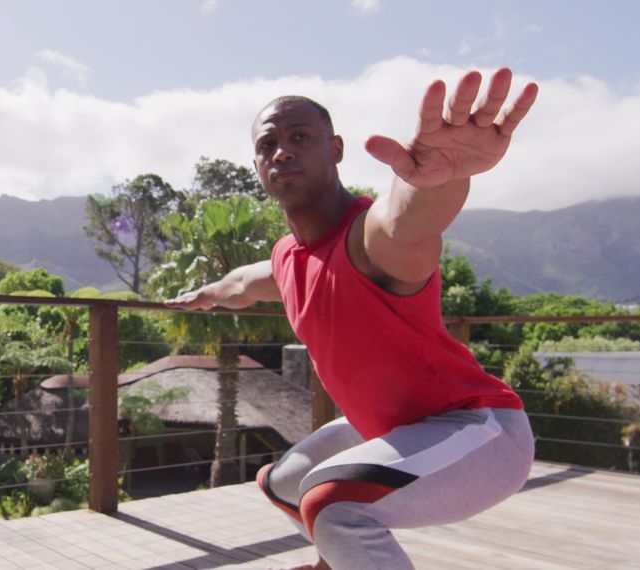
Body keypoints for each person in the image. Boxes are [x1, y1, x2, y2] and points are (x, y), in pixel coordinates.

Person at [166, 68, 539, 569]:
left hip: (481, 431)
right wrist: (205, 294)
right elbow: (241, 284)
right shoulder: (288, 259)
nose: (282, 151)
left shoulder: (369, 241)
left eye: (300, 136)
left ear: (335, 149)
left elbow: (408, 219)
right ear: (256, 163)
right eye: (268, 143)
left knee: (332, 502)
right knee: (284, 484)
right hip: (391, 427)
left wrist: (441, 178)